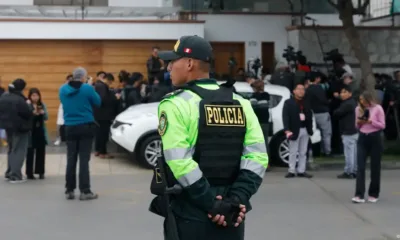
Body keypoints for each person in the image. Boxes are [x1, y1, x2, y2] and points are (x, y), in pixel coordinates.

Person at [149, 35, 268, 240]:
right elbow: (257, 157)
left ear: (188, 63)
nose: (168, 68)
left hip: (192, 212)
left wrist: (212, 204)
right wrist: (236, 199)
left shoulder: (175, 104)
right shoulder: (241, 103)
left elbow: (180, 162)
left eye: (172, 62)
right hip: (232, 214)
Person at [59, 67, 101, 200]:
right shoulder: (87, 88)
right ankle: (85, 191)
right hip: (85, 126)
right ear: (84, 77)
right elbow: (98, 102)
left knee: (71, 159)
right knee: (84, 160)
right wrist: (89, 87)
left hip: (69, 126)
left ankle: (69, 190)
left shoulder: (63, 89)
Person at [352, 91, 385, 204]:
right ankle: (359, 194)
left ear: (369, 99)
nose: (362, 102)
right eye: (360, 100)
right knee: (360, 166)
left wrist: (371, 121)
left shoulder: (378, 108)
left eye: (364, 100)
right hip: (362, 137)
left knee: (375, 166)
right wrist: (359, 122)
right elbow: (356, 125)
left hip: (375, 137)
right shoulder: (358, 109)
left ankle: (373, 193)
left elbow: (382, 125)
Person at [0, 79, 33, 183]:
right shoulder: (20, 99)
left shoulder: (4, 97)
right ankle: (15, 175)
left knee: (11, 149)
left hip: (7, 127)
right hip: (20, 128)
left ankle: (9, 172)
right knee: (19, 150)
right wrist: (29, 104)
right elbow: (27, 113)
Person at [282, 82, 313, 178]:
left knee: (303, 151)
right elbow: (285, 116)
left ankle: (301, 170)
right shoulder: (289, 102)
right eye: (299, 89)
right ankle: (291, 170)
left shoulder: (306, 102)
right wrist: (287, 129)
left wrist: (310, 128)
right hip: (294, 129)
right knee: (293, 151)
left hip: (305, 129)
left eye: (303, 89)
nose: (301, 91)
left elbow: (310, 116)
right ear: (294, 91)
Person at [333, 86, 358, 179]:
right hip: (353, 130)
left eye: (344, 92)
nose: (342, 94)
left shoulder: (347, 104)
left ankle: (349, 171)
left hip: (348, 131)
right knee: (354, 152)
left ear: (350, 93)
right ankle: (354, 170)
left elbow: (337, 112)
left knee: (349, 153)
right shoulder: (352, 102)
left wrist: (335, 111)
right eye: (341, 92)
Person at [305, 72, 332, 156]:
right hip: (323, 113)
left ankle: (315, 151)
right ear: (316, 79)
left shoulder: (308, 89)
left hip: (312, 113)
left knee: (313, 133)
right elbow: (324, 100)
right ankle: (327, 151)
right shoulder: (320, 88)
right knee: (326, 133)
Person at [26, 88, 49, 180]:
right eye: (33, 95)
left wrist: (42, 113)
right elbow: (25, 116)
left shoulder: (42, 104)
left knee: (41, 151)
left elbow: (46, 117)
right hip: (31, 131)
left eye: (36, 95)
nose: (35, 97)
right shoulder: (28, 105)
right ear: (30, 96)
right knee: (30, 152)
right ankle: (29, 172)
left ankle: (40, 171)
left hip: (40, 130)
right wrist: (32, 113)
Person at [93, 72, 118, 159]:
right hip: (104, 114)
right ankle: (103, 152)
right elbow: (103, 99)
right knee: (104, 134)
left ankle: (98, 150)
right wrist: (115, 98)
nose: (110, 84)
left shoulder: (97, 85)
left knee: (99, 133)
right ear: (108, 80)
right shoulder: (103, 86)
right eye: (110, 82)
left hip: (98, 114)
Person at [55, 74, 72, 146]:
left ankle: (70, 138)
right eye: (69, 80)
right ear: (66, 80)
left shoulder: (76, 88)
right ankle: (58, 138)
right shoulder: (63, 87)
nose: (70, 81)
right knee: (59, 123)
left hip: (72, 107)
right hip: (63, 106)